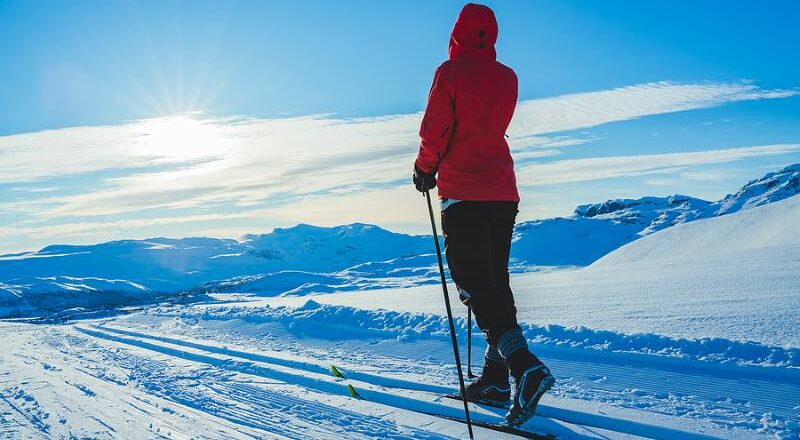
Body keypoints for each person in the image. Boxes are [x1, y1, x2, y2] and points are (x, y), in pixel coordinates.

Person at [412, 3, 555, 427]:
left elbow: (436, 128)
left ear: (457, 33)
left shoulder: (449, 72)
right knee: (495, 282)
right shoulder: (507, 76)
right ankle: (494, 380)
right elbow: (487, 125)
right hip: (502, 193)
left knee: (473, 283)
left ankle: (523, 365)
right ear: (490, 34)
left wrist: (424, 169)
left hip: (465, 194)